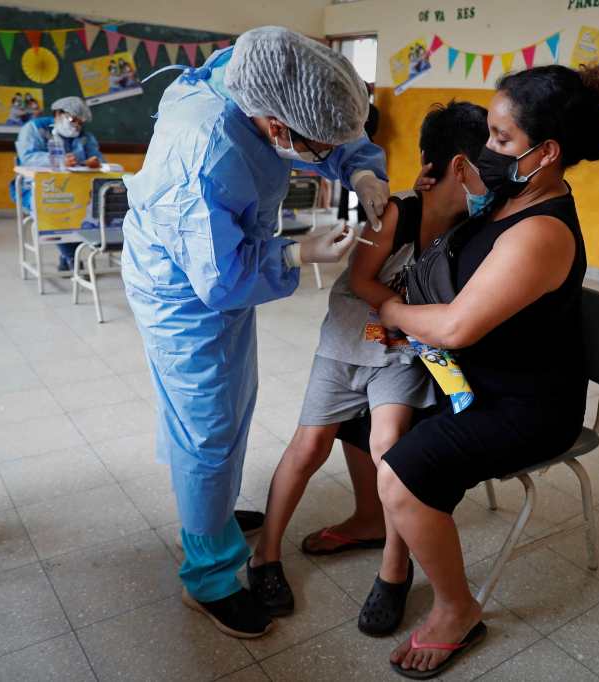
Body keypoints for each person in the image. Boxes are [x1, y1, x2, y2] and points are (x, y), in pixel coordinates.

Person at [120, 26, 392, 640]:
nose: (328, 155)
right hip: (185, 288)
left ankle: (210, 517)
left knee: (228, 405)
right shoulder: (204, 153)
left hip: (219, 261)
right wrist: (295, 255)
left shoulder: (259, 70)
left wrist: (364, 170)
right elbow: (222, 279)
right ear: (274, 127)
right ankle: (210, 576)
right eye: (318, 148)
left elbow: (330, 128)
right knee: (207, 428)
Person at [373, 64, 599, 677]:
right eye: (488, 133)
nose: (487, 150)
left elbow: (458, 327)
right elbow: (454, 241)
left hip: (526, 406)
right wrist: (431, 192)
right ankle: (394, 559)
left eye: (502, 139)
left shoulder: (541, 232)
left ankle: (456, 609)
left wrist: (391, 308)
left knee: (400, 477)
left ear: (547, 152)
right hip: (477, 379)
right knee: (372, 419)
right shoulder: (514, 192)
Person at [248, 102, 490, 626]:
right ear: (456, 168)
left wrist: (416, 330)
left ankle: (393, 569)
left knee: (390, 450)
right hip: (346, 346)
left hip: (401, 357)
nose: (491, 181)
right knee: (308, 445)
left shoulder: (474, 229)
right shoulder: (400, 213)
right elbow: (361, 281)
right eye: (486, 166)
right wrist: (414, 317)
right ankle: (265, 554)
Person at [11, 96, 103, 271]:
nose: (77, 126)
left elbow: (97, 158)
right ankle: (70, 256)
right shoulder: (34, 129)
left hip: (77, 188)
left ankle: (72, 254)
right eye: (73, 120)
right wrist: (59, 160)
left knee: (89, 206)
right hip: (37, 187)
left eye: (80, 122)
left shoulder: (84, 135)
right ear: (58, 113)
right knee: (62, 205)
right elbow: (28, 158)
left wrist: (95, 161)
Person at [339, 83, 380, 226]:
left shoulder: (371, 111)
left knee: (363, 184)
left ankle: (355, 216)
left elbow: (372, 130)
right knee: (356, 184)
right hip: (356, 148)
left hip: (355, 148)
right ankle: (351, 216)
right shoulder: (354, 110)